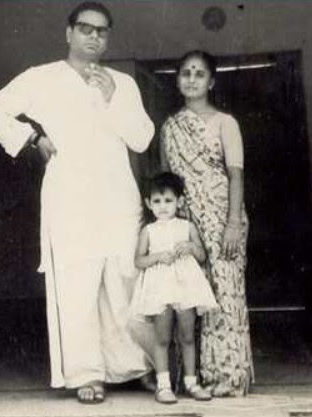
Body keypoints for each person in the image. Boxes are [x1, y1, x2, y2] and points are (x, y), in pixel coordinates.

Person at [0, 1, 155, 404]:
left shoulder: (122, 83)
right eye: (86, 29)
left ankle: (133, 367)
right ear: (68, 33)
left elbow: (142, 138)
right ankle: (85, 375)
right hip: (70, 197)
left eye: (102, 31)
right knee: (77, 285)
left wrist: (114, 98)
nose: (94, 37)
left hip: (117, 196)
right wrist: (31, 138)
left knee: (123, 281)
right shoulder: (41, 78)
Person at [160, 50, 254, 397]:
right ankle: (193, 378)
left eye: (200, 74)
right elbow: (167, 182)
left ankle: (228, 377)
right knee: (189, 295)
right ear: (178, 79)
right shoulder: (170, 127)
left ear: (211, 81)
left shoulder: (225, 123)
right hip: (186, 222)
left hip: (223, 217)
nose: (192, 79)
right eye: (185, 72)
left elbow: (235, 174)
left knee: (225, 294)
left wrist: (232, 222)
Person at [130, 172, 218, 404]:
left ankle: (191, 382)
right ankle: (164, 385)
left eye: (168, 201)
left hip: (185, 288)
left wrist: (190, 247)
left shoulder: (187, 227)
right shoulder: (148, 231)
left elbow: (201, 255)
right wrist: (157, 256)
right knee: (162, 338)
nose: (163, 207)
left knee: (187, 336)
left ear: (179, 201)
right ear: (149, 204)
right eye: (157, 202)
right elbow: (138, 261)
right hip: (160, 288)